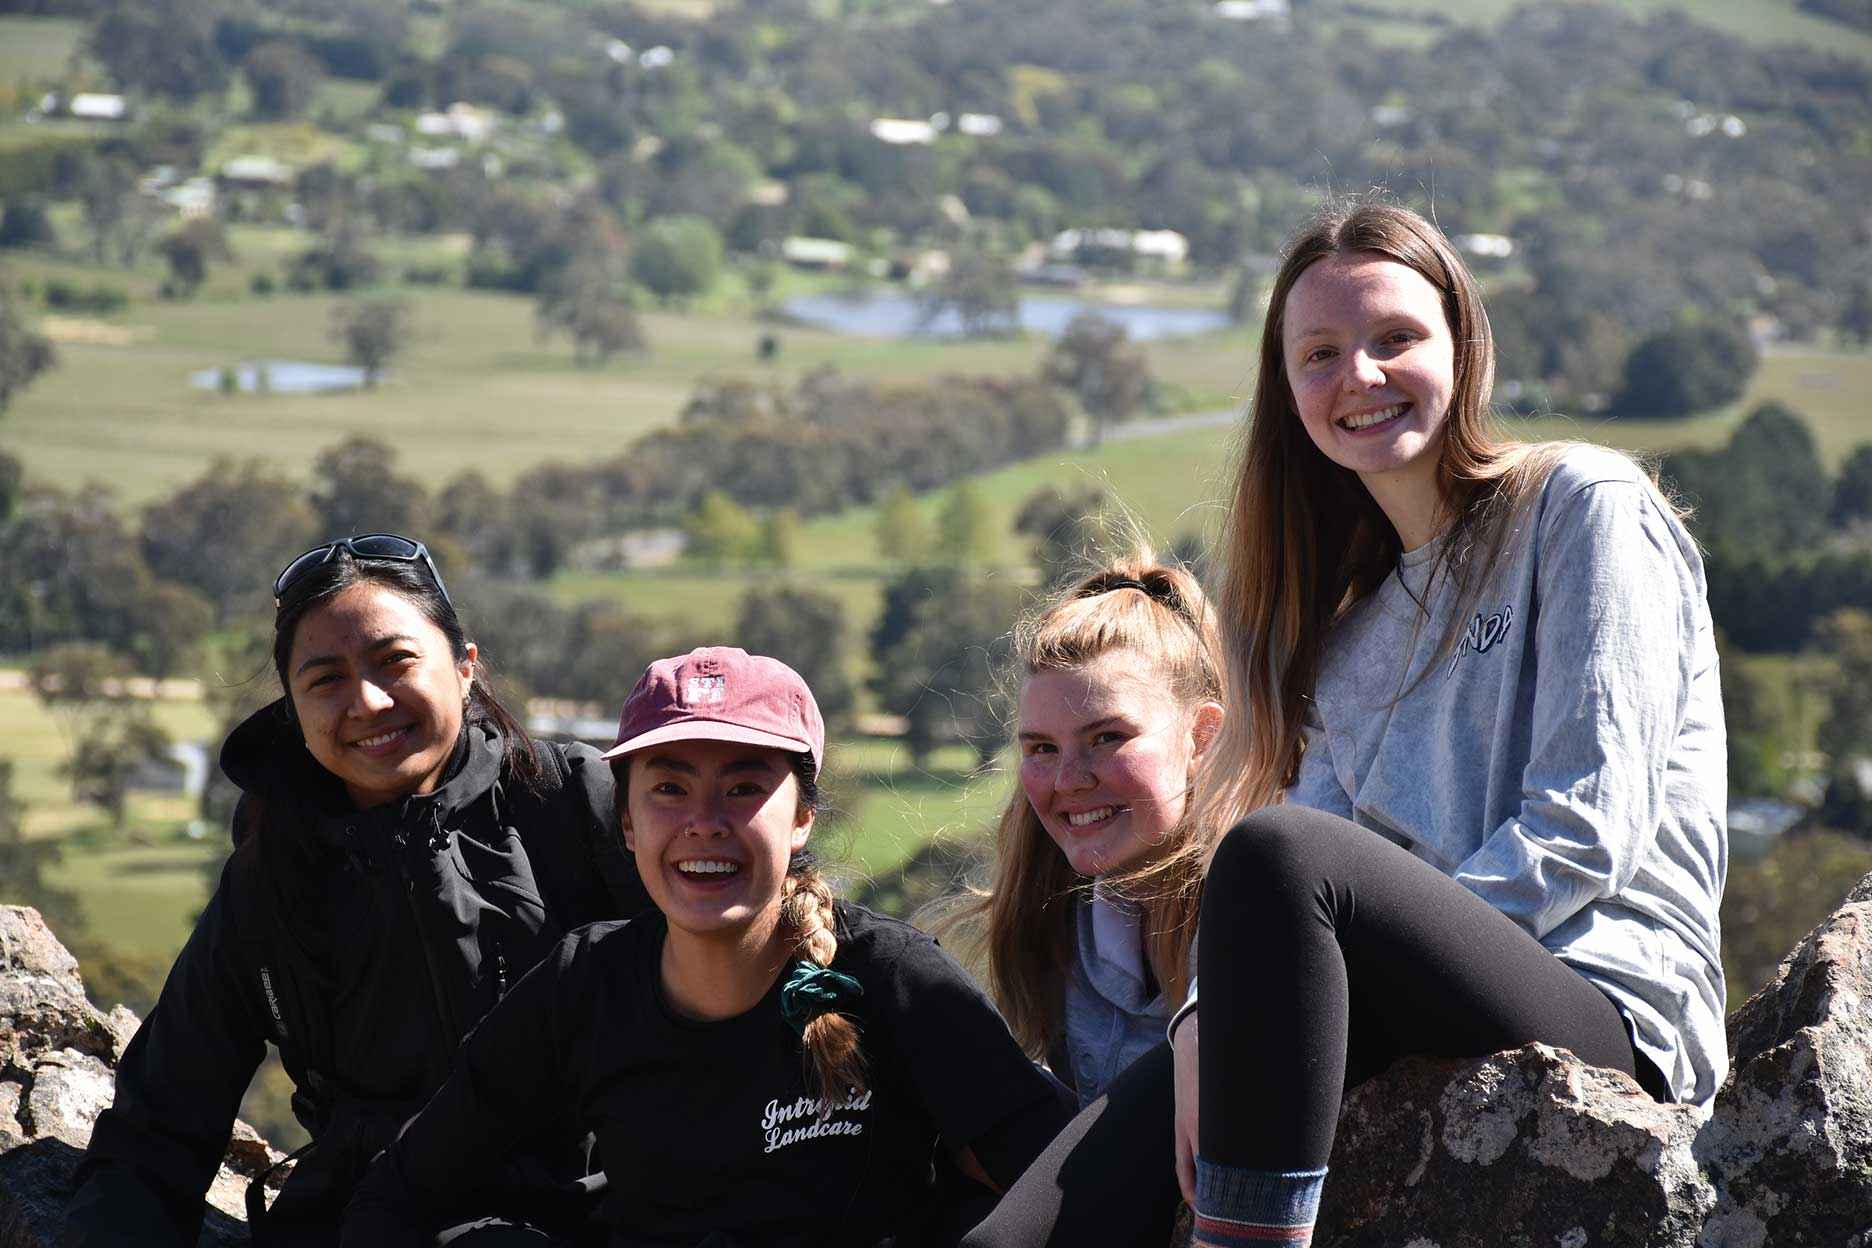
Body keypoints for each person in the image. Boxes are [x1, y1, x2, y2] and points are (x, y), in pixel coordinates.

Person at [965, 199, 1727, 1248]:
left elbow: (1589, 826)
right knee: (1024, 1230)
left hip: (1603, 1005)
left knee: (1277, 852)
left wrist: (1359, 954)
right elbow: (1301, 898)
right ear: (1287, 391)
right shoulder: (1346, 631)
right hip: (1396, 1005)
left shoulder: (1583, 506)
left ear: (1464, 345)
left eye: (1396, 339)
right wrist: (1202, 1024)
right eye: (1319, 354)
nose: (1359, 377)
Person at [343, 646, 1074, 1248]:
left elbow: (1064, 1174)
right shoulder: (585, 985)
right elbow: (403, 1191)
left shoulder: (889, 978)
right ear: (626, 822)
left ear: (803, 818)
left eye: (744, 787)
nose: (704, 822)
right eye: (669, 788)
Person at [67, 534, 651, 1247]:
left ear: (466, 667)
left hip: (601, 1212)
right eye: (325, 680)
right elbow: (159, 1126)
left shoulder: (574, 805)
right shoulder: (273, 877)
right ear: (293, 709)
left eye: (394, 661)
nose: (367, 701)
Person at [967, 555, 1224, 1107]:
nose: (1069, 780)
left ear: (1201, 737)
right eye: (1041, 748)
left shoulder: (1259, 915)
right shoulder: (1054, 927)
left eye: (1106, 738)